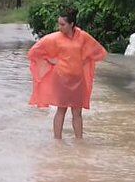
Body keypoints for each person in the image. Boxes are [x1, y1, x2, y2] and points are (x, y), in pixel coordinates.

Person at [28, 10, 108, 139]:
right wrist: (51, 60)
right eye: (59, 24)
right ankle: (57, 142)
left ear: (71, 24)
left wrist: (84, 60)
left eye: (63, 24)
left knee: (77, 112)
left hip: (78, 79)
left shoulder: (83, 36)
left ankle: (79, 142)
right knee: (61, 110)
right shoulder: (54, 38)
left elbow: (100, 52)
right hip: (61, 79)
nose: (60, 27)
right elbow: (34, 52)